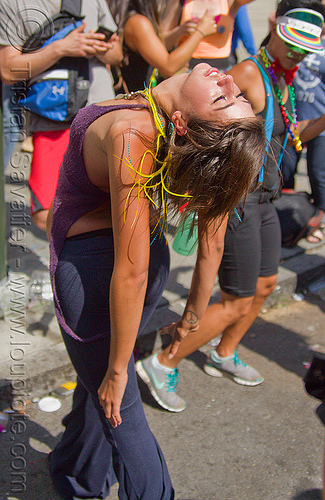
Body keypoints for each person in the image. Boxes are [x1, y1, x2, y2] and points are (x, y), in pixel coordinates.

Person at [46, 63, 266, 498]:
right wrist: (191, 314)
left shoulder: (135, 133)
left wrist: (117, 368)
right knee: (99, 389)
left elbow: (130, 271)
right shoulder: (168, 126)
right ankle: (79, 471)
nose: (228, 80)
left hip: (101, 276)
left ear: (183, 123)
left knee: (121, 412)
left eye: (224, 98)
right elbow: (211, 245)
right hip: (135, 266)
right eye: (235, 93)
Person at [135, 0, 325, 413]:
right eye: (293, 44)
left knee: (264, 285)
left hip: (266, 198)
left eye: (306, 50)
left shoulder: (281, 76)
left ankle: (223, 352)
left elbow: (291, 136)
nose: (298, 54)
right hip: (236, 199)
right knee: (235, 297)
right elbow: (212, 145)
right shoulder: (247, 74)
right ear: (274, 26)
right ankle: (162, 361)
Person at [0, 0, 122, 231]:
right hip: (52, 117)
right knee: (45, 209)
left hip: (101, 112)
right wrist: (60, 48)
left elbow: (116, 55)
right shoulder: (11, 3)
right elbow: (8, 71)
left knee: (111, 201)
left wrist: (105, 48)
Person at [280, 0, 325, 243]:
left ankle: (316, 219)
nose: (298, 53)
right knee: (286, 169)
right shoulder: (264, 68)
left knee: (318, 174)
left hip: (313, 125)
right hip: (290, 120)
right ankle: (292, 219)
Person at [113, 0, 217, 94]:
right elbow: (168, 67)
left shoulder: (134, 18)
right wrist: (200, 32)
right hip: (134, 98)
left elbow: (158, 47)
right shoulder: (137, 23)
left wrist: (180, 31)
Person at [180, 0, 255, 72]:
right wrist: (180, 31)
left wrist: (252, 52)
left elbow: (244, 29)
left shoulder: (229, 2)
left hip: (221, 68)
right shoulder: (182, 3)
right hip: (189, 67)